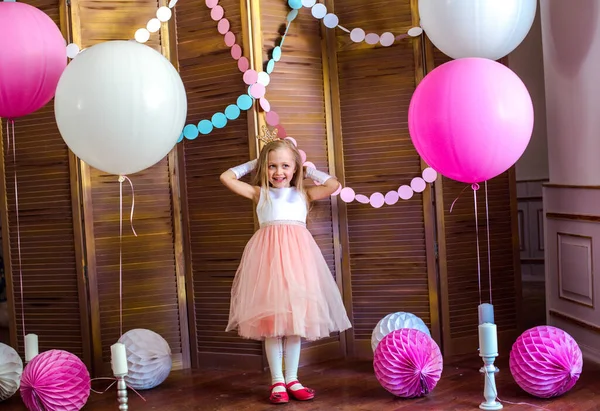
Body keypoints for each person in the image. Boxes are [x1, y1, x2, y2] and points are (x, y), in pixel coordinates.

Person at [220, 130, 351, 404]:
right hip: (267, 264)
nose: (278, 171)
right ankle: (277, 382)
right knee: (272, 325)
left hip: (299, 263)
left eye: (285, 165)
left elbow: (333, 185)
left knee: (294, 324)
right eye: (271, 166)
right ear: (264, 168)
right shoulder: (260, 193)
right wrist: (253, 164)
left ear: (294, 169)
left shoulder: (302, 195)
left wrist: (311, 170)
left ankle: (292, 378)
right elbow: (226, 177)